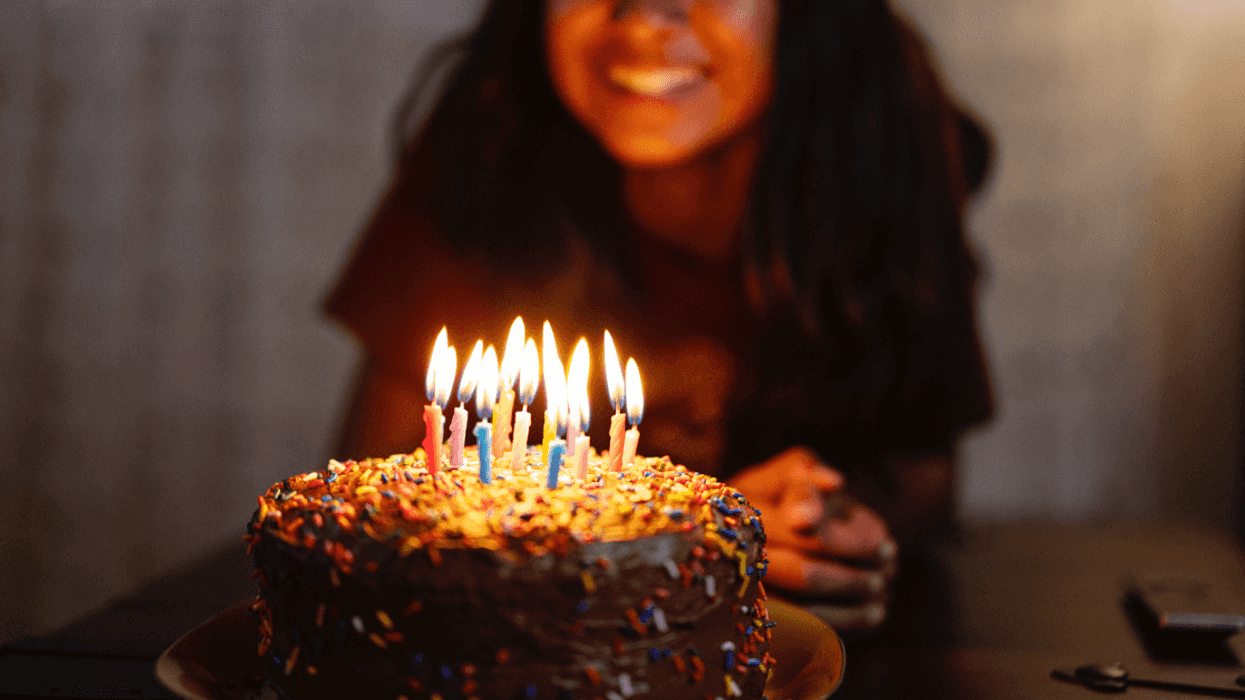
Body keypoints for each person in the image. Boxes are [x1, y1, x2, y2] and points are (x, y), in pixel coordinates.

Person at [324, 0, 993, 637]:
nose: (644, 16)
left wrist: (819, 522)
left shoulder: (882, 124)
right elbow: (371, 482)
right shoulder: (495, 128)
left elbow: (922, 466)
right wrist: (678, 530)